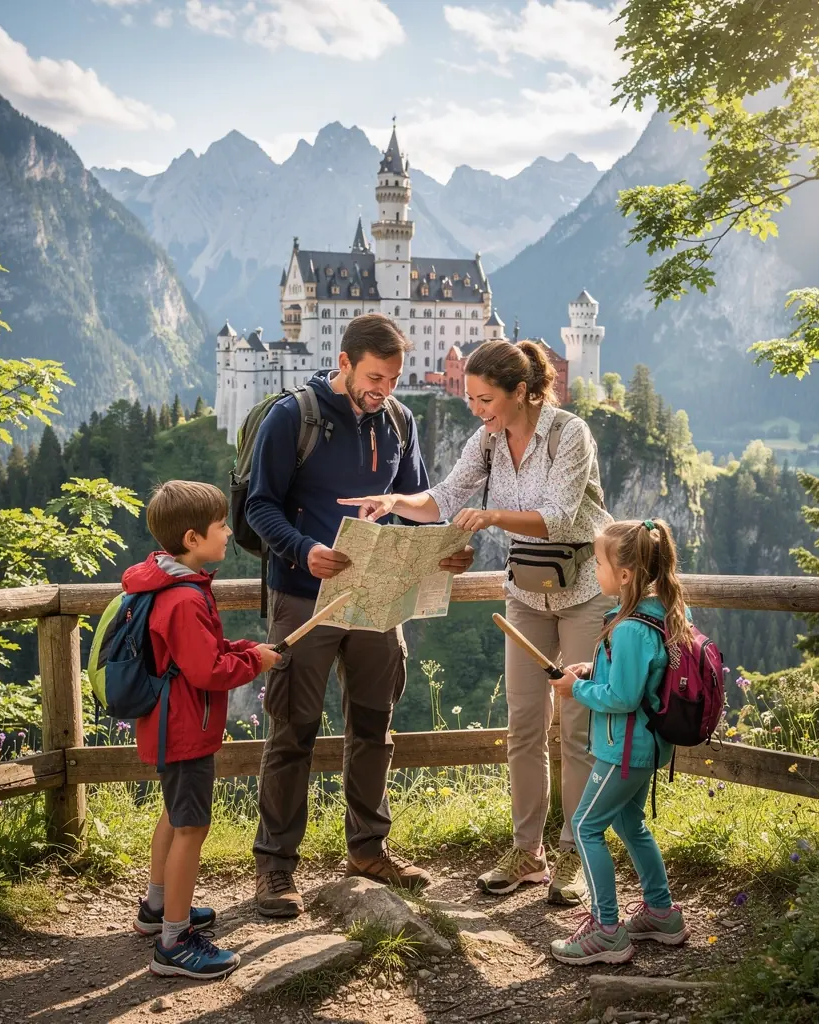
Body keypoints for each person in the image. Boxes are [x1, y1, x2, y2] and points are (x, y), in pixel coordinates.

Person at [339, 339, 612, 905]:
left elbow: (561, 520)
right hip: (526, 593)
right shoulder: (487, 441)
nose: (476, 408)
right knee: (523, 725)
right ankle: (528, 853)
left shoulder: (569, 435)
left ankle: (577, 853)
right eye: (470, 397)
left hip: (583, 589)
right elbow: (443, 498)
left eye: (485, 398)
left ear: (521, 392)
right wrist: (395, 502)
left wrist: (490, 516)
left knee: (579, 727)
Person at [245, 313, 474, 918]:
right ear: (343, 362)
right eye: (375, 377)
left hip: (379, 598)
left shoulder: (399, 421)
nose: (385, 390)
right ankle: (274, 869)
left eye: (393, 378)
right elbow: (258, 506)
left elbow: (416, 505)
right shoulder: (292, 417)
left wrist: (442, 547)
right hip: (304, 593)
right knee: (292, 731)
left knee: (374, 727)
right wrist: (304, 550)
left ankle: (368, 850)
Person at [124, 481, 281, 980]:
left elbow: (196, 652)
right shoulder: (185, 599)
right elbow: (205, 672)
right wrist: (254, 664)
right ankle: (174, 942)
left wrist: (241, 649)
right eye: (221, 526)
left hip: (169, 724)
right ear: (192, 538)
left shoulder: (170, 586)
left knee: (174, 814)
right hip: (187, 729)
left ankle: (156, 909)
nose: (229, 532)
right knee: (192, 827)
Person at [546, 518, 691, 966]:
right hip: (645, 748)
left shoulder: (629, 628)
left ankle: (607, 929)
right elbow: (636, 679)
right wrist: (591, 672)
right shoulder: (653, 614)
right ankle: (662, 913)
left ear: (624, 575)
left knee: (587, 826)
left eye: (601, 564)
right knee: (631, 825)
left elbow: (625, 697)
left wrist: (577, 691)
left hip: (623, 751)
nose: (596, 572)